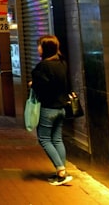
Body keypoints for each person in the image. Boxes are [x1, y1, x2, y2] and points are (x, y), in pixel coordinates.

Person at [31, 35, 73, 186]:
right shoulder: (62, 63)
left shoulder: (44, 66)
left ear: (46, 48)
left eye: (40, 45)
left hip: (48, 109)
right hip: (61, 108)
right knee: (57, 139)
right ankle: (61, 172)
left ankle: (61, 171)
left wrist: (33, 83)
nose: (38, 48)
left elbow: (41, 86)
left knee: (44, 139)